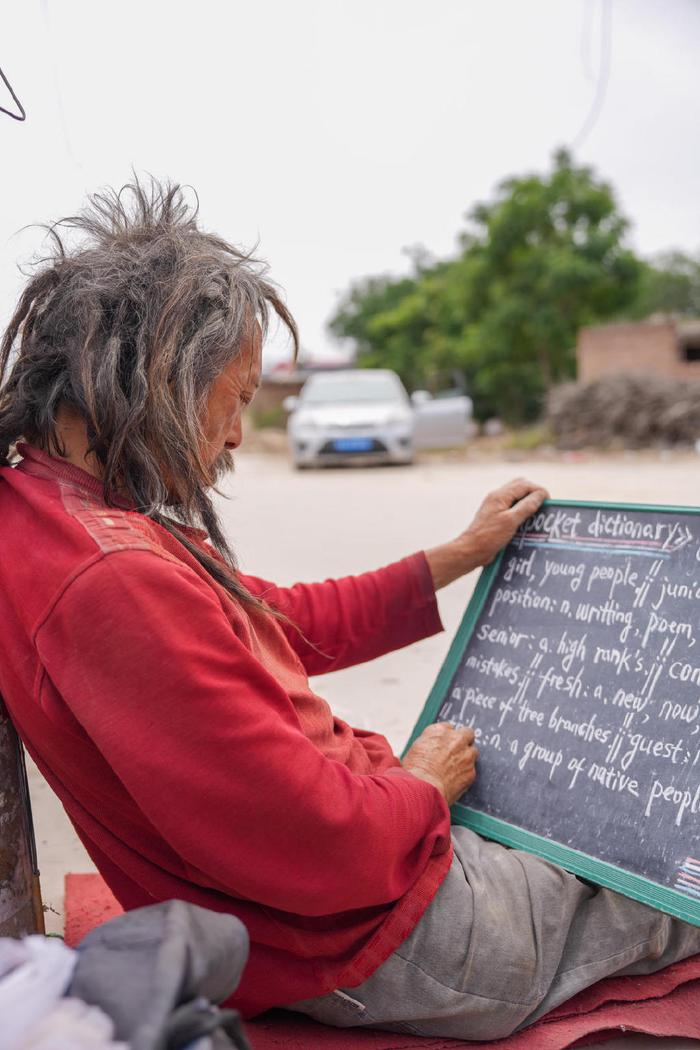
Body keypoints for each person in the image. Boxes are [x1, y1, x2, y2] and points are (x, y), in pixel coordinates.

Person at [0, 181, 697, 1041]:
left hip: (358, 897)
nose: (236, 438)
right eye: (240, 398)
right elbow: (320, 845)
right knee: (666, 879)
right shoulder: (109, 580)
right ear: (161, 376)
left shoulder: (54, 512)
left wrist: (457, 555)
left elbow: (267, 621)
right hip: (384, 936)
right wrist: (421, 783)